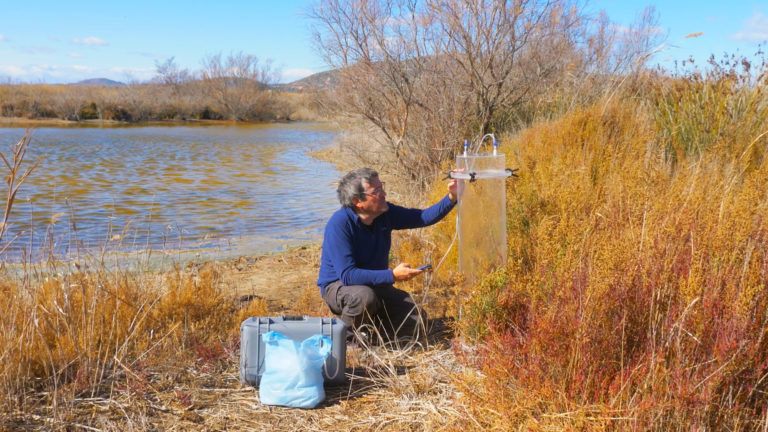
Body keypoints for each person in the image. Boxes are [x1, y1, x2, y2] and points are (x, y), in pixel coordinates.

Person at [317, 167, 458, 342]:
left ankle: (372, 334)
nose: (384, 193)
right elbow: (348, 275)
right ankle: (345, 339)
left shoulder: (385, 213)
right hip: (338, 287)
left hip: (375, 286)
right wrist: (392, 275)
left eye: (382, 187)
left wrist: (452, 198)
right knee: (364, 297)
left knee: (416, 320)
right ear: (357, 201)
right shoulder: (340, 224)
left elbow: (423, 217)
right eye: (376, 191)